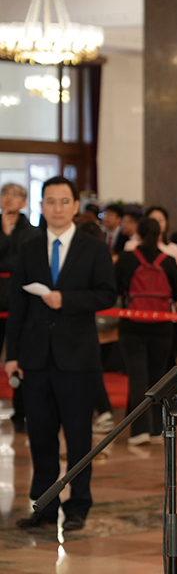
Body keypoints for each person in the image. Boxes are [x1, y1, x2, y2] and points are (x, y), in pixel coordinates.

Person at [7, 176, 116, 531]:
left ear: (75, 206)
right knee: (41, 437)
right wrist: (12, 355)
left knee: (79, 437)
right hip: (35, 358)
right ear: (41, 206)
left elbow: (106, 294)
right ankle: (44, 506)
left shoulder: (93, 248)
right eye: (50, 202)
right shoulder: (29, 248)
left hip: (77, 358)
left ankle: (78, 506)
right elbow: (17, 305)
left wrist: (66, 300)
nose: (57, 208)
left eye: (64, 201)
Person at [115, 217, 177, 445]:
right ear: (159, 235)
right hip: (162, 328)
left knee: (137, 379)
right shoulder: (168, 261)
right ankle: (157, 429)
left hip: (131, 326)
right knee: (158, 379)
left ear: (138, 234)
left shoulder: (126, 259)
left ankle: (139, 431)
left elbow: (114, 288)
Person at [0, 183, 38, 433]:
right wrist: (5, 233)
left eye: (15, 195)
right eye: (5, 194)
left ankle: (21, 412)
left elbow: (22, 263)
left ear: (24, 202)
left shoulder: (31, 232)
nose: (9, 199)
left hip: (20, 304)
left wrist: (9, 236)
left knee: (20, 359)